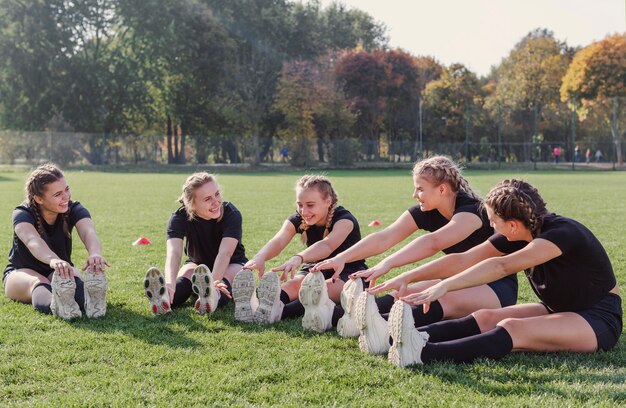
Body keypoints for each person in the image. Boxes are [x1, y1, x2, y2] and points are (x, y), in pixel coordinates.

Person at [383, 179, 621, 367]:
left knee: (513, 328)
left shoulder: (562, 233)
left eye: (493, 221)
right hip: (561, 307)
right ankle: (392, 338)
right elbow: (464, 259)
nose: (492, 227)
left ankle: (421, 353)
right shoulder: (521, 231)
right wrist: (408, 277)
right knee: (487, 317)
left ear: (513, 224)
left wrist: (444, 286)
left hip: (598, 318)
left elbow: (501, 266)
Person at [312, 156, 516, 354]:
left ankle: (380, 329)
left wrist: (388, 264)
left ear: (442, 189)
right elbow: (384, 237)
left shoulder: (472, 211)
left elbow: (433, 243)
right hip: (457, 280)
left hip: (496, 286)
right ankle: (332, 315)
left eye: (419, 189)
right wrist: (342, 257)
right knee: (404, 296)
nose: (414, 195)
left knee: (437, 299)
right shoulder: (427, 210)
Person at [233, 174, 367, 333]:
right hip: (315, 268)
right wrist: (259, 258)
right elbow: (279, 240)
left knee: (316, 292)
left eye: (310, 205)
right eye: (300, 205)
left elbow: (328, 245)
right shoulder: (299, 219)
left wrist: (299, 257)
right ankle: (259, 305)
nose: (304, 211)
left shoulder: (345, 219)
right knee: (292, 285)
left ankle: (278, 313)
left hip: (347, 272)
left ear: (328, 201)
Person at [3, 163, 109, 320]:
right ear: (38, 199)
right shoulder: (22, 213)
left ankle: (90, 301)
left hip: (60, 271)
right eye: (58, 194)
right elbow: (33, 241)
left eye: (67, 189)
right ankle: (59, 304)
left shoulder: (74, 209)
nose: (66, 196)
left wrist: (94, 253)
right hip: (22, 273)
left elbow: (88, 232)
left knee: (69, 281)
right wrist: (53, 260)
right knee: (39, 282)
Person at [144, 172, 246, 315]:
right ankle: (163, 298)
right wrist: (169, 283)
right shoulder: (179, 217)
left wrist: (213, 282)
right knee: (186, 274)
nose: (216, 202)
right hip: (197, 264)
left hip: (231, 263)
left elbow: (226, 253)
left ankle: (212, 297)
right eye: (207, 199)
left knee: (228, 278)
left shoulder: (231, 214)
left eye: (217, 194)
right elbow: (174, 253)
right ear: (192, 204)